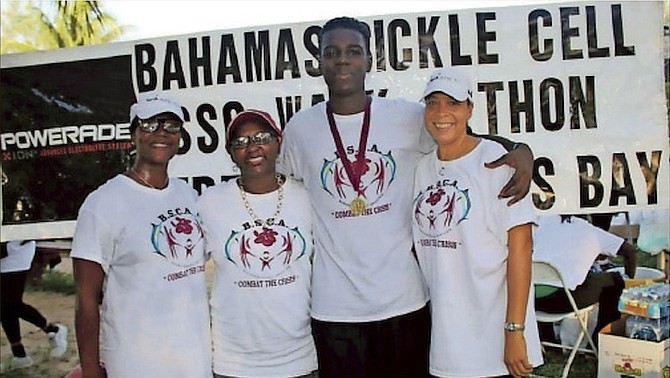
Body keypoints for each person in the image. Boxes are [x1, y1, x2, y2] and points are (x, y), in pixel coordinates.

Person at [278, 16, 535, 378]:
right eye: (331, 52)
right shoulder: (300, 129)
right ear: (318, 62)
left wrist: (522, 150)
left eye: (353, 51)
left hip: (406, 304)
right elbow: (276, 187)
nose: (342, 60)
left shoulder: (406, 116)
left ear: (369, 59)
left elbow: (465, 138)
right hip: (335, 310)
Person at [411, 67, 543, 377]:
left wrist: (514, 330)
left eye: (453, 103)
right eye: (433, 102)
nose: (442, 112)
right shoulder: (422, 168)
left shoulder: (498, 161)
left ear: (470, 108)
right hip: (447, 341)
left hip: (494, 343)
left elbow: (521, 248)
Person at [70, 92, 212, 377]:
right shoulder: (103, 202)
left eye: (171, 126)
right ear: (133, 135)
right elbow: (86, 298)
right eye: (149, 124)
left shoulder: (188, 194)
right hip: (135, 360)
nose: (161, 133)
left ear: (181, 137)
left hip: (194, 357)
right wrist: (89, 369)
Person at [197, 110, 317, 378]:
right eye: (240, 142)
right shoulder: (209, 203)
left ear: (278, 141)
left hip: (300, 359)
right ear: (230, 153)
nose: (252, 147)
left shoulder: (306, 196)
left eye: (261, 137)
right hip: (234, 364)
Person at [533, 214, 637, 345]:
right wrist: (630, 281)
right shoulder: (590, 231)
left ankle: (546, 338)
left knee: (545, 277)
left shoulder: (541, 221)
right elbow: (630, 251)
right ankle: (600, 340)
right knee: (614, 281)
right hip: (564, 302)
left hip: (531, 300)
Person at [0, 240, 68, 372]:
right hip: (4, 249)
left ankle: (53, 330)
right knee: (4, 306)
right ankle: (20, 355)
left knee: (12, 303)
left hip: (16, 249)